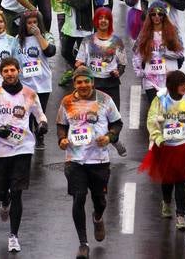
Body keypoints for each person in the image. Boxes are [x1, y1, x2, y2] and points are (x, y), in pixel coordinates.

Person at [0, 56, 48, 254]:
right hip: (1, 149)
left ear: (19, 71)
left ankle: (13, 236)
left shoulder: (29, 94)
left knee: (17, 191)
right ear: (1, 73)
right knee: (1, 190)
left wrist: (43, 125)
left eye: (13, 70)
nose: (10, 74)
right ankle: (4, 202)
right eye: (6, 71)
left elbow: (40, 115)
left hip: (23, 148)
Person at [56, 65, 123, 259]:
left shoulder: (104, 100)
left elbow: (117, 123)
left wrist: (109, 137)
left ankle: (98, 216)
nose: (83, 85)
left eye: (86, 81)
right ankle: (83, 243)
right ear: (74, 84)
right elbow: (61, 124)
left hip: (99, 158)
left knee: (99, 200)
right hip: (74, 159)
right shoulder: (67, 101)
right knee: (78, 197)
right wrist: (62, 140)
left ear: (92, 82)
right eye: (79, 82)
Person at [139, 69, 185, 231]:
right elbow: (152, 120)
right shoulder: (161, 99)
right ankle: (166, 202)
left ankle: (181, 215)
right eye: (182, 84)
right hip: (165, 146)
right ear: (173, 85)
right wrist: (158, 137)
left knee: (181, 182)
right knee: (167, 180)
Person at [16, 9, 56, 148]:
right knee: (27, 113)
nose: (32, 25)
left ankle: (40, 136)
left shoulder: (47, 36)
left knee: (40, 112)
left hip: (43, 83)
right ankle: (27, 139)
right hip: (25, 84)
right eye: (29, 23)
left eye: (35, 22)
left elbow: (50, 52)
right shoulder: (17, 40)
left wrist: (39, 36)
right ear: (23, 25)